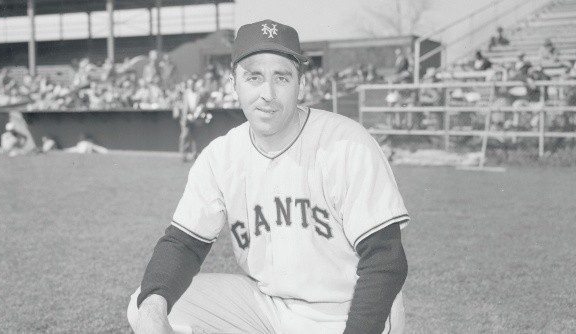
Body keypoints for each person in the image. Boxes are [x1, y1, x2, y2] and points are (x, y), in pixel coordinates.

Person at [128, 19, 410, 334]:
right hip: (269, 307)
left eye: (282, 76)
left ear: (301, 83)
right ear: (233, 82)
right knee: (148, 303)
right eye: (254, 76)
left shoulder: (347, 143)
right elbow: (183, 244)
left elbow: (385, 260)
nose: (268, 93)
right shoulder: (220, 156)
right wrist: (153, 311)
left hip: (345, 312)